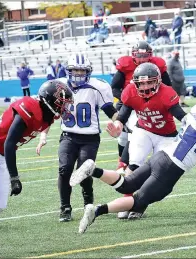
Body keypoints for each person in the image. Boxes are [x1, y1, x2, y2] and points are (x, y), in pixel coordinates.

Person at [70, 102, 196, 233]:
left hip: (162, 156)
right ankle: (97, 210)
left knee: (127, 184)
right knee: (139, 200)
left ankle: (93, 170)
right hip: (172, 167)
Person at [44, 53, 117, 222]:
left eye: (82, 70)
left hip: (90, 137)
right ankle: (65, 207)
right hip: (68, 135)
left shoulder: (97, 86)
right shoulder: (59, 86)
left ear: (88, 71)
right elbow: (48, 113)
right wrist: (43, 136)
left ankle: (88, 200)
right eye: (75, 70)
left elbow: (110, 110)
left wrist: (120, 125)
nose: (78, 74)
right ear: (68, 70)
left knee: (84, 172)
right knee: (64, 169)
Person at [108, 62, 187, 219]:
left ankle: (140, 205)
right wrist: (118, 125)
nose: (145, 87)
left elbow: (180, 115)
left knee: (158, 175)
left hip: (167, 136)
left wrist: (192, 123)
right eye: (141, 83)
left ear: (158, 81)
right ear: (135, 83)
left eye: (149, 82)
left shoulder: (166, 93)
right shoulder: (130, 91)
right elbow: (123, 114)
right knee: (134, 163)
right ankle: (126, 200)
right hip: (143, 130)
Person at [0, 80, 73, 214]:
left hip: (1, 155)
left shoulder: (47, 115)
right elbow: (9, 142)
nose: (64, 106)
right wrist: (14, 177)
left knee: (0, 205)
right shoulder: (29, 108)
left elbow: (46, 123)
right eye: (61, 102)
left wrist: (43, 137)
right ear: (49, 100)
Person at [111, 41, 172, 174]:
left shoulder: (158, 66)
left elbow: (168, 86)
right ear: (133, 55)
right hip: (130, 103)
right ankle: (123, 162)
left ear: (150, 56)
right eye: (139, 56)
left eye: (145, 56)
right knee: (123, 136)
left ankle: (126, 164)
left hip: (150, 105)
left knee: (135, 132)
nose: (142, 59)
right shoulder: (125, 66)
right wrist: (128, 98)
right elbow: (114, 87)